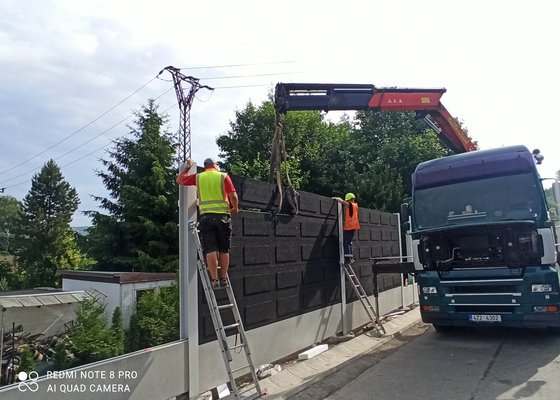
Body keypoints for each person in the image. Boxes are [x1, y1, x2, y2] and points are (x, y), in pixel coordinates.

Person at [176, 158, 239, 288]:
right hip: (223, 217)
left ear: (205, 166)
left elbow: (179, 180)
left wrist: (187, 168)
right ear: (215, 165)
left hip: (206, 218)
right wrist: (235, 208)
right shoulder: (223, 176)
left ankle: (214, 279)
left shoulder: (199, 177)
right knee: (224, 250)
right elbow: (233, 195)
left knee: (210, 249)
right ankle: (224, 278)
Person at [332, 193, 360, 264]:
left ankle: (348, 258)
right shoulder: (355, 206)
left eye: (347, 200)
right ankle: (350, 257)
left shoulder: (351, 205)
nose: (347, 202)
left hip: (349, 226)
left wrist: (336, 198)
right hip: (353, 227)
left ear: (351, 200)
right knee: (349, 242)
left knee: (346, 242)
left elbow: (342, 202)